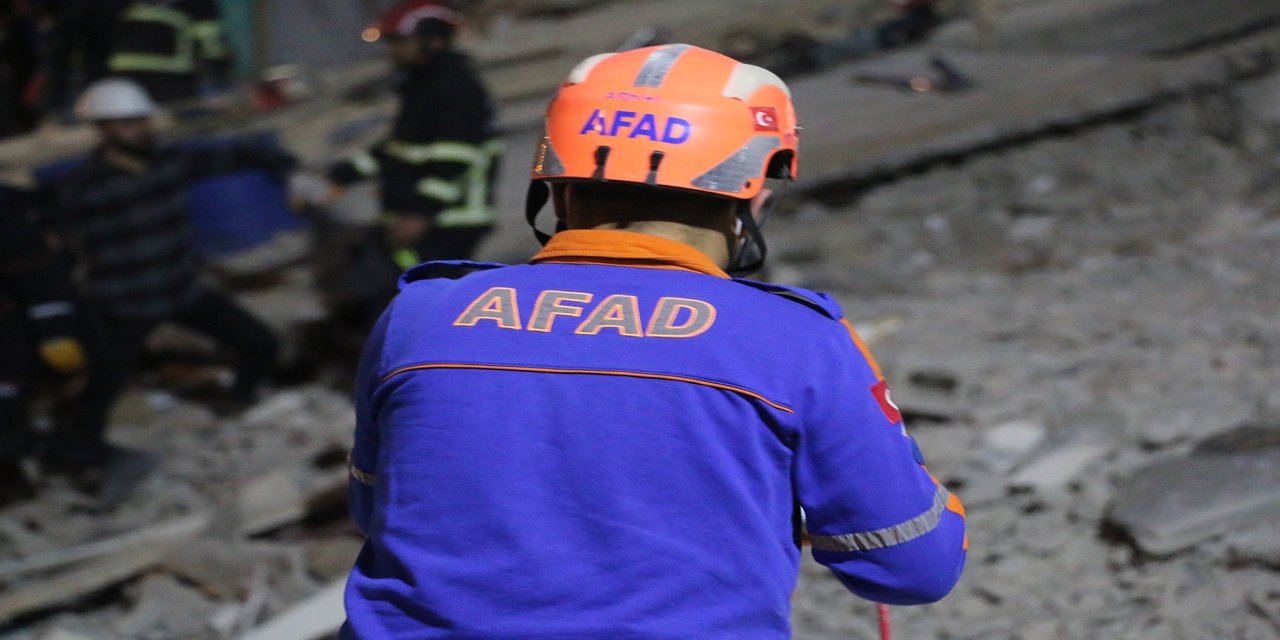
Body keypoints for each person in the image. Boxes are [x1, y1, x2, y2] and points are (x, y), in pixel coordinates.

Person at [342, 44, 966, 638]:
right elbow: (914, 568)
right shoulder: (795, 340)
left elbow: (383, 512)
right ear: (749, 200)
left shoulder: (420, 316)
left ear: (557, 188)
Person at [49, 78, 290, 475]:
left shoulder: (169, 163)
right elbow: (41, 229)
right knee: (102, 385)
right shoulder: (81, 188)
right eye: (126, 124)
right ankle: (79, 454)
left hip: (180, 290)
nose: (139, 130)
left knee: (260, 342)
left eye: (141, 121)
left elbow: (238, 155)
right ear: (104, 129)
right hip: (123, 304)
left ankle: (239, 399)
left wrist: (288, 169)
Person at [327, 0, 501, 332]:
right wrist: (344, 174)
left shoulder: (456, 88)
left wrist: (420, 213)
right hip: (420, 219)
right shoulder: (422, 87)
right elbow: (398, 148)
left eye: (399, 42)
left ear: (431, 39)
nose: (392, 52)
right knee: (388, 289)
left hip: (449, 221)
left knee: (413, 302)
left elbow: (455, 159)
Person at [0, 186, 87, 503]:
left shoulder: (10, 213)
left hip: (13, 345)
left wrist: (56, 336)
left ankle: (91, 457)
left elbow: (39, 281)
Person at [106, 0, 231, 103]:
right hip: (173, 80)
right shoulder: (197, 6)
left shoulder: (123, 7)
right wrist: (220, 71)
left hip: (123, 80)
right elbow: (213, 48)